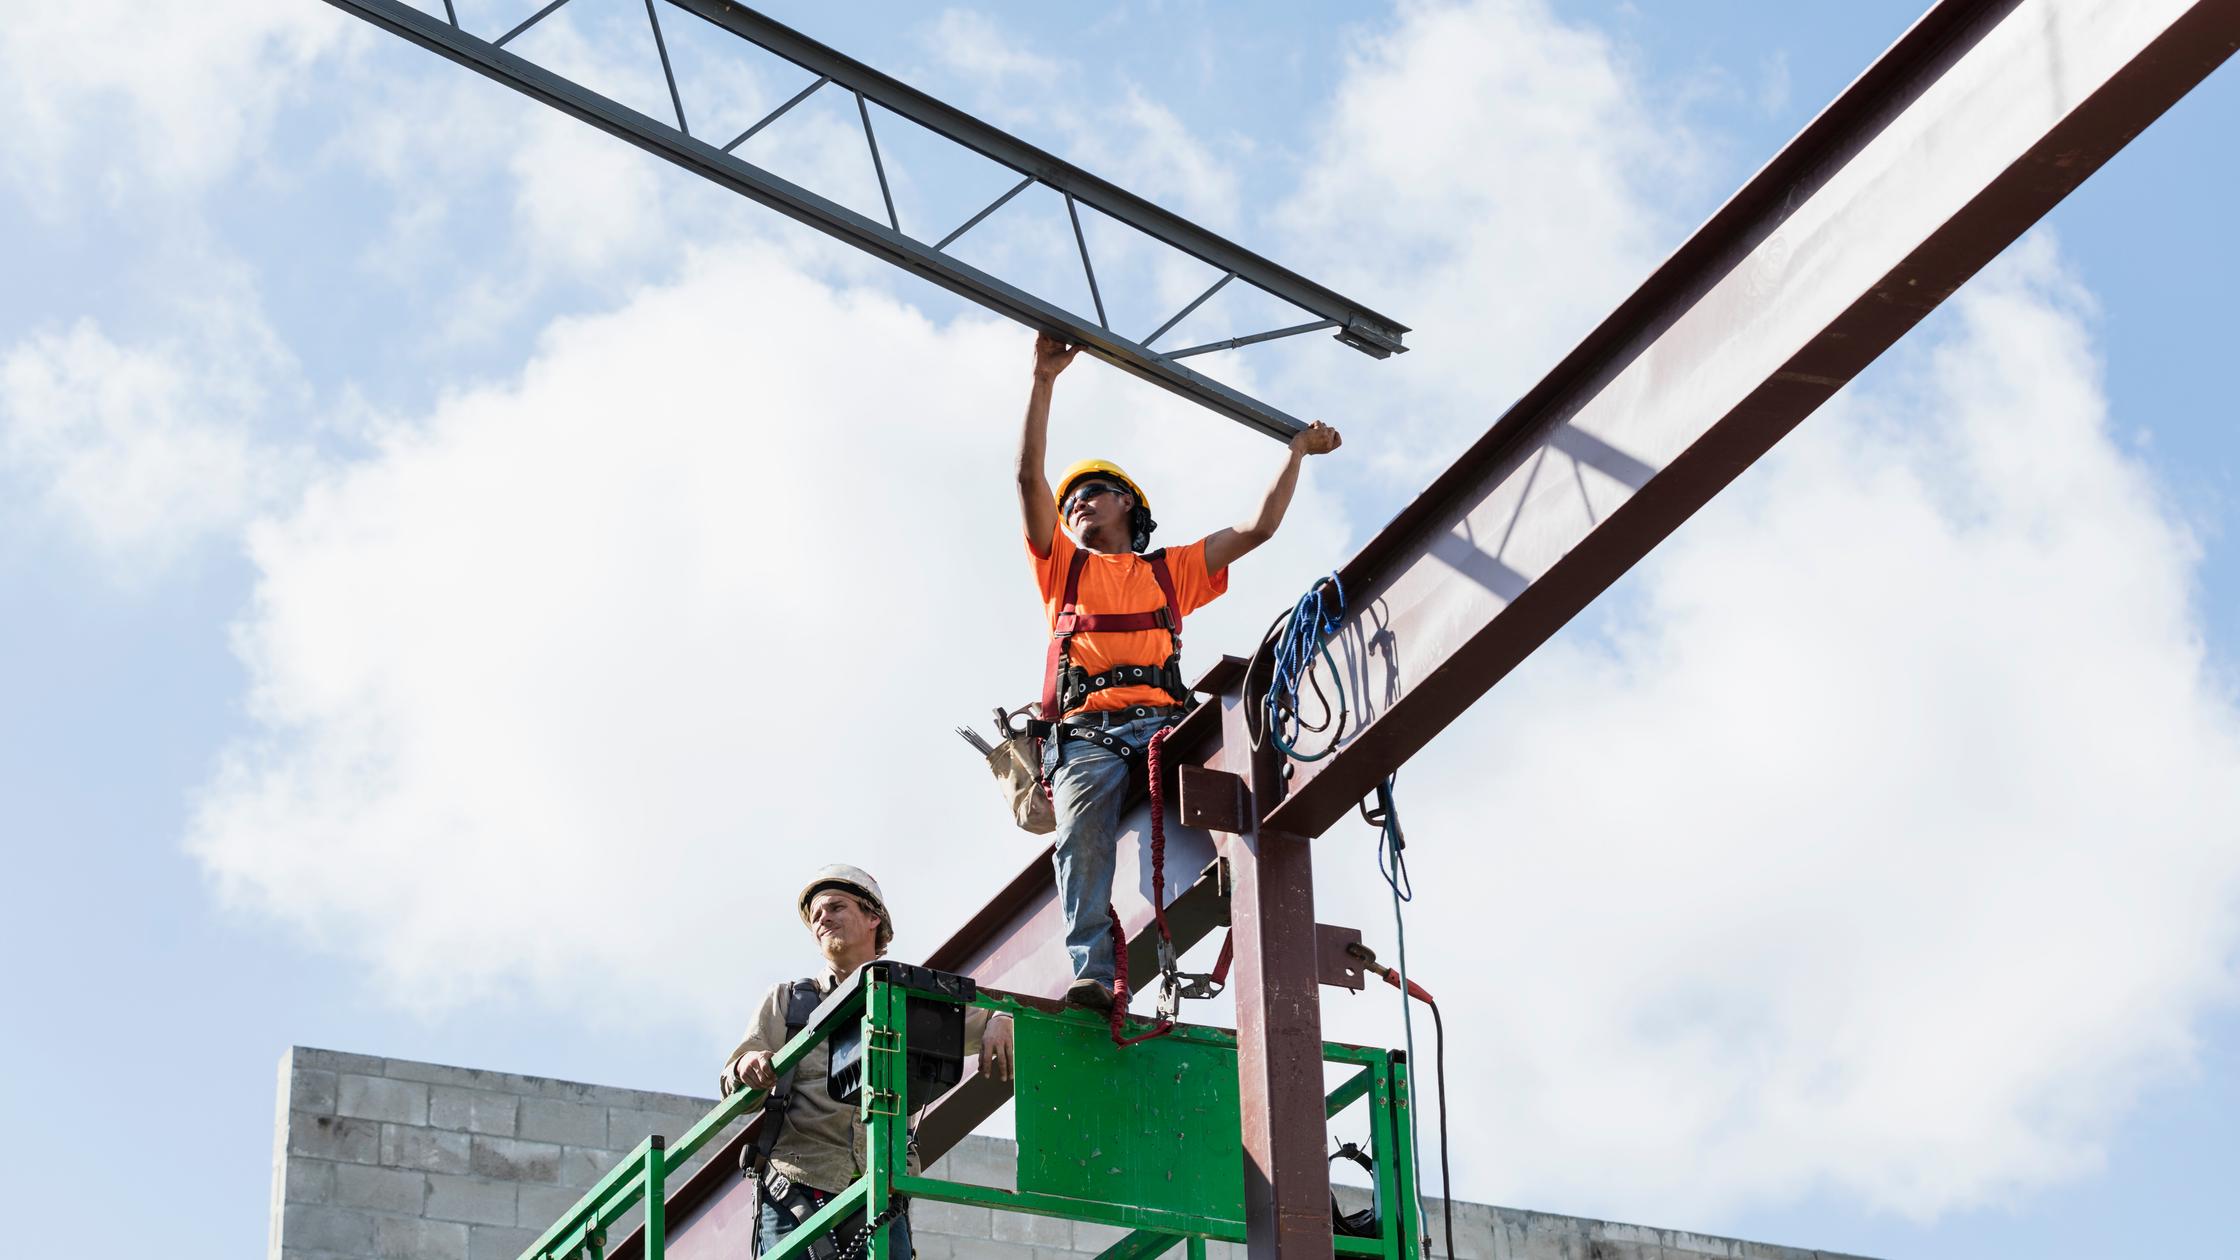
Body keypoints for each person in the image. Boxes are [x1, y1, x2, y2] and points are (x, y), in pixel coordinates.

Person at [1016, 333, 1342, 1009]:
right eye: (1071, 502)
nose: (1077, 505)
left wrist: (1295, 454)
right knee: (1080, 837)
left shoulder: (1171, 572)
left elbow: (1257, 529)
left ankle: (1254, 906)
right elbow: (1027, 480)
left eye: (1093, 493)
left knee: (1245, 794)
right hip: (1090, 737)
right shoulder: (1062, 569)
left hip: (1166, 725)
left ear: (1128, 504)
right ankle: (1094, 972)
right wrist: (1042, 380)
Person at [721, 865, 1014, 1258]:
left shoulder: (908, 1003)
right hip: (797, 1187)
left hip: (881, 1193)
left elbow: (993, 1019)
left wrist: (1002, 1017)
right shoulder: (789, 1002)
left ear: (873, 916)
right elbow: (737, 1080)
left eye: (835, 907)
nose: (822, 919)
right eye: (816, 915)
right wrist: (746, 1067)